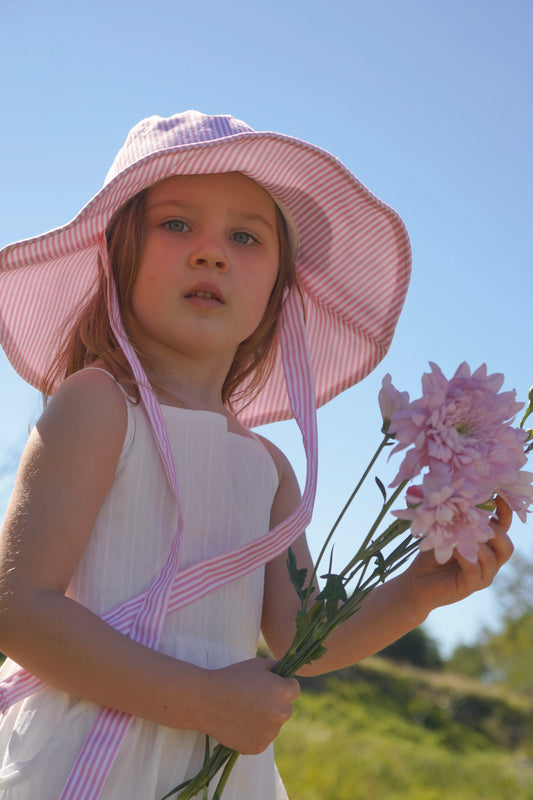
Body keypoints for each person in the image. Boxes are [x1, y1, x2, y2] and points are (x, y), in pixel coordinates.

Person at [0, 111, 513, 800]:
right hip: (90, 749)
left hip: (218, 765)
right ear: (116, 254)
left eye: (245, 237)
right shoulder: (97, 405)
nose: (211, 253)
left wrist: (415, 593)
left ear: (279, 290)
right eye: (176, 224)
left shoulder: (268, 467)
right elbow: (19, 609)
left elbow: (304, 635)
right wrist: (199, 701)